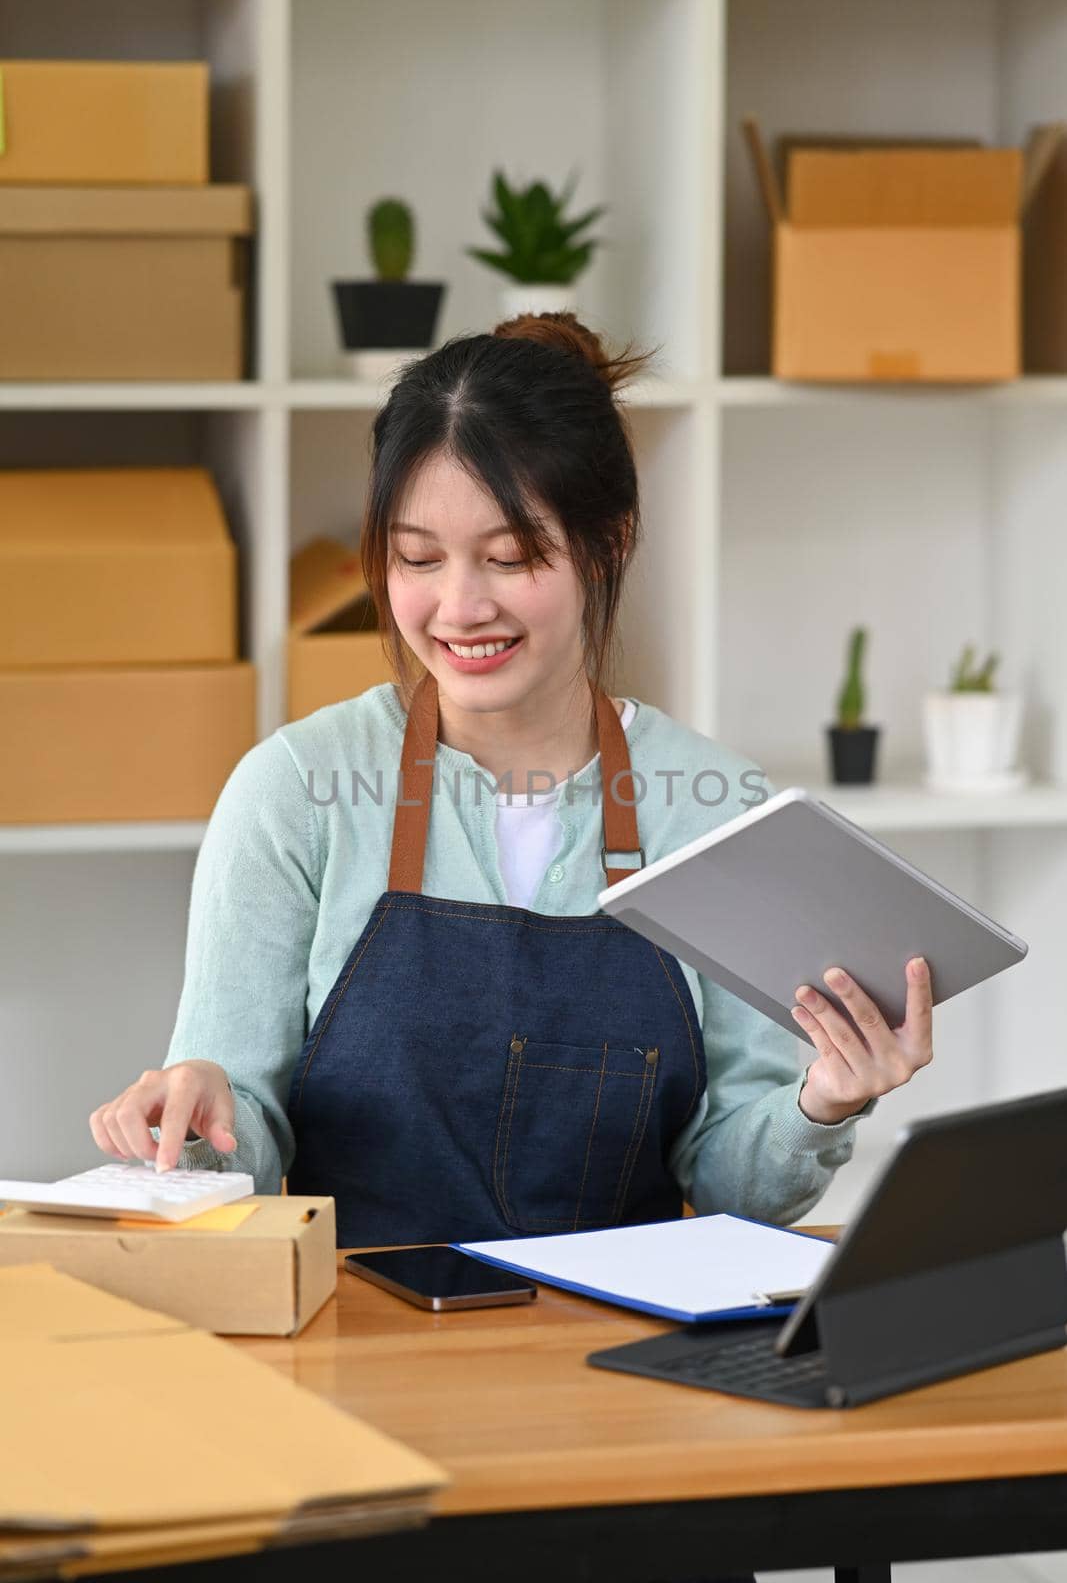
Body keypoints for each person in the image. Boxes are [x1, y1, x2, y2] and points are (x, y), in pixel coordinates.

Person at [89, 312, 934, 1250]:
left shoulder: (716, 807)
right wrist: (194, 1116)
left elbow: (735, 1192)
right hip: (359, 1343)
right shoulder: (295, 789)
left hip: (624, 1350)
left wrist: (823, 1102)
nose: (460, 607)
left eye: (510, 558)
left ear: (606, 544)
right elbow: (237, 1131)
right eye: (416, 559)